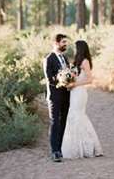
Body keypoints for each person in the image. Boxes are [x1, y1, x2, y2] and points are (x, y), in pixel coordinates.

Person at [61, 40, 103, 159]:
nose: (74, 49)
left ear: (80, 48)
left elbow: (90, 80)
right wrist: (69, 82)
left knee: (78, 115)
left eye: (75, 47)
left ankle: (87, 146)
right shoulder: (76, 61)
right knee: (73, 116)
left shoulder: (85, 62)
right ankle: (76, 145)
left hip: (80, 92)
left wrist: (76, 84)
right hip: (74, 92)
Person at [43, 34, 70, 162]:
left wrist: (69, 79)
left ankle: (60, 148)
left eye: (66, 42)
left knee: (63, 121)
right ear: (56, 43)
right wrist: (61, 79)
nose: (66, 44)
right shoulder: (49, 59)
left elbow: (69, 74)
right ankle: (54, 152)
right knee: (55, 122)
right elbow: (49, 79)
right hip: (54, 96)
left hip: (66, 95)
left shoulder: (65, 58)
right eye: (64, 42)